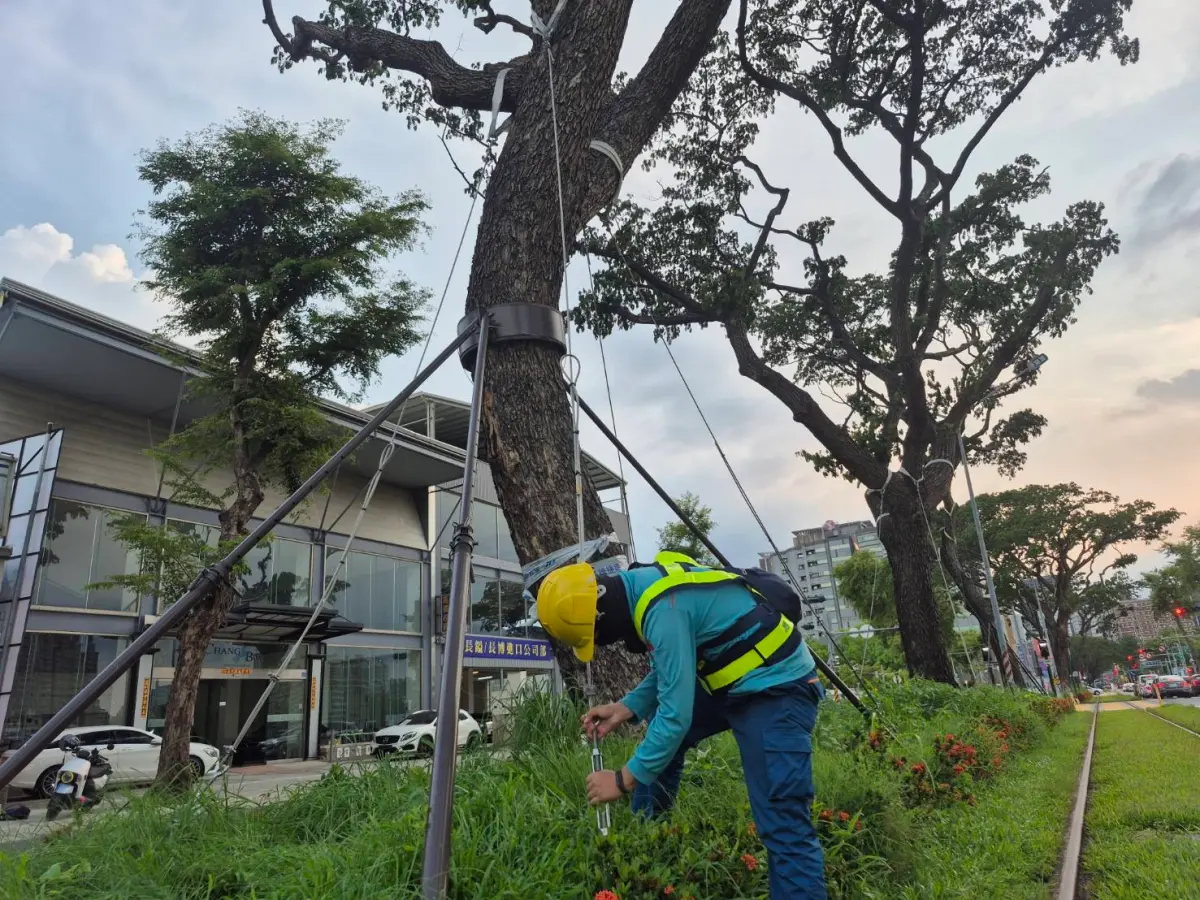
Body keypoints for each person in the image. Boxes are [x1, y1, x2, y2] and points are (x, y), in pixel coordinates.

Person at [536, 551, 828, 900]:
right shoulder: (643, 586)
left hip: (775, 687)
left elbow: (676, 717)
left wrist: (620, 780)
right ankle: (649, 850)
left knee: (782, 820)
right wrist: (625, 708)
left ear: (601, 615)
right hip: (726, 678)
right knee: (659, 750)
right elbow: (671, 667)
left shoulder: (663, 609)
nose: (605, 643)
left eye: (598, 637)